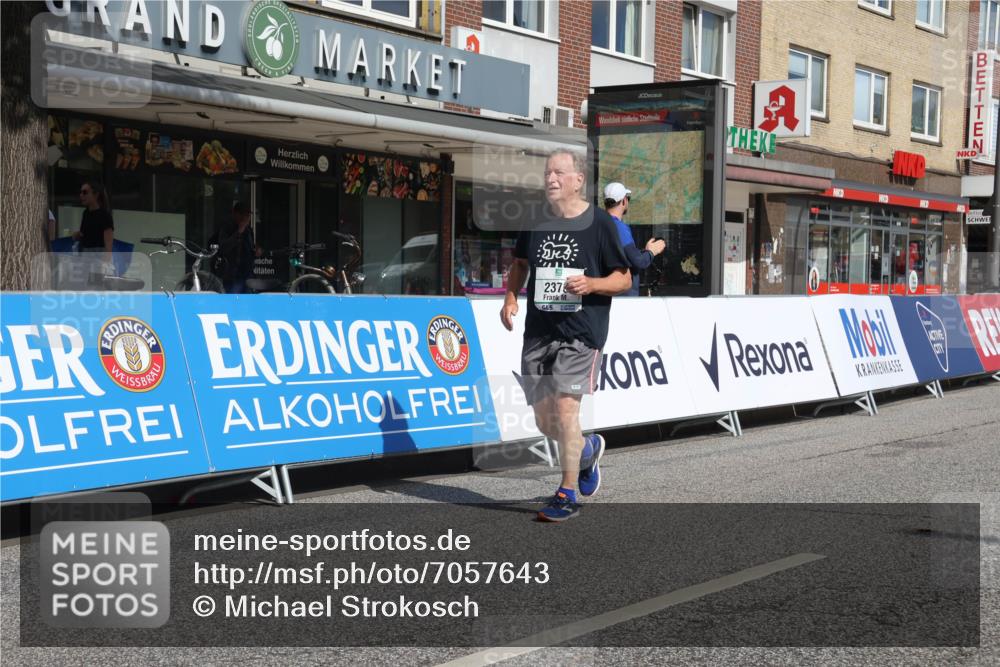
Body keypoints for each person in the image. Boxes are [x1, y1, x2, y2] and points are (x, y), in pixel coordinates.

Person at [500, 149, 631, 522]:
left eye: (559, 172)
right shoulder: (535, 220)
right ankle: (587, 449)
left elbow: (623, 278)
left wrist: (591, 283)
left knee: (565, 408)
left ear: (578, 180)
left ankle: (566, 492)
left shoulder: (600, 225)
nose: (551, 178)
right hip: (539, 331)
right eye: (546, 173)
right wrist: (511, 297)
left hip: (581, 333)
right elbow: (521, 264)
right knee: (545, 422)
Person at [603, 182, 666, 297]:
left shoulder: (599, 223)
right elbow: (639, 261)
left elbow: (621, 254)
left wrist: (645, 251)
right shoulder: (618, 227)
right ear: (624, 201)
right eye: (628, 198)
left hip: (604, 295)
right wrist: (652, 251)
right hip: (622, 296)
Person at [214, 202, 255, 294]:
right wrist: (239, 231)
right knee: (233, 302)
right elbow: (223, 248)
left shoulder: (248, 231)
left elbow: (249, 248)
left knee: (247, 302)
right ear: (235, 214)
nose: (246, 218)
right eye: (243, 215)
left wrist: (255, 251)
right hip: (232, 275)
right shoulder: (227, 228)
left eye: (248, 215)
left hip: (247, 275)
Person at [74, 180, 114, 261]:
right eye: (81, 192)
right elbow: (83, 234)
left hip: (98, 255)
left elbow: (108, 241)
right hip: (85, 254)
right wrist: (77, 235)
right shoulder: (86, 213)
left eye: (85, 192)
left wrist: (106, 260)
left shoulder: (104, 215)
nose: (81, 195)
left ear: (96, 195)